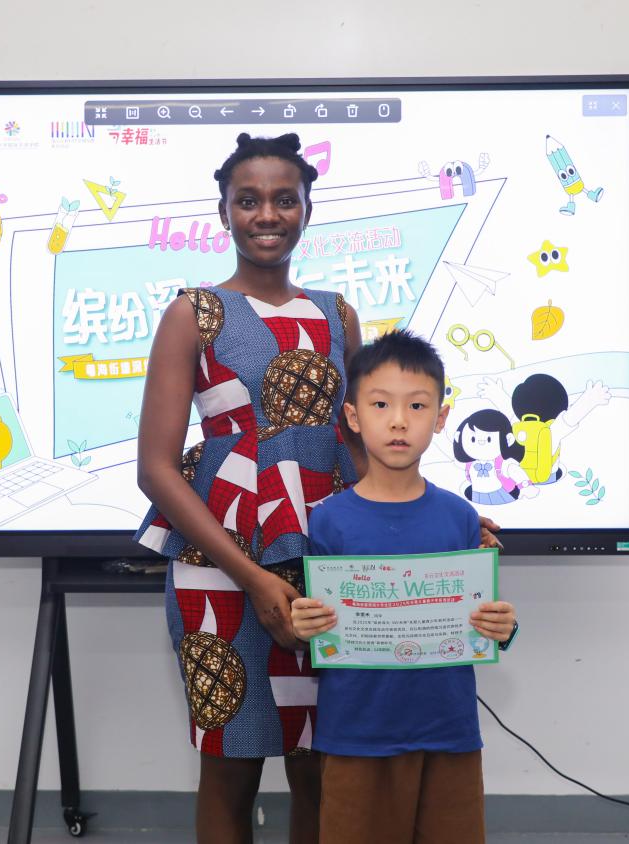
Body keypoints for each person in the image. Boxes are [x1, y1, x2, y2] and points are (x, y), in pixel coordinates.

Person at [135, 133, 501, 844]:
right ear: (224, 211)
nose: (266, 215)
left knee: (321, 766)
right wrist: (252, 579)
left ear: (307, 210)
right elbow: (155, 468)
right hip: (219, 566)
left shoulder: (337, 314)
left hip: (328, 557)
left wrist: (446, 527)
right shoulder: (192, 312)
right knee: (230, 768)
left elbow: (361, 442)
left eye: (284, 200)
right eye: (248, 201)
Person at [290, 330, 518, 844]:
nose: (398, 420)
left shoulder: (461, 517)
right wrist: (304, 624)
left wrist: (502, 627)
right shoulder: (327, 521)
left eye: (416, 405)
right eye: (380, 404)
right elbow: (316, 626)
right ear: (353, 417)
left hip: (449, 732)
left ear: (440, 418)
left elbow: (481, 616)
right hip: (356, 734)